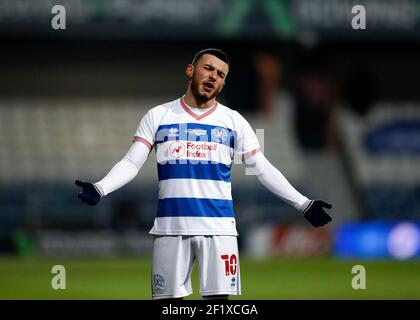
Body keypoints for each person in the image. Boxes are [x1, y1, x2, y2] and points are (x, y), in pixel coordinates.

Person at [75, 48, 332, 300]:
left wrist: (303, 203)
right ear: (191, 70)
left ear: (222, 84)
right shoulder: (158, 115)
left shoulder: (235, 121)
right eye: (208, 68)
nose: (213, 76)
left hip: (219, 230)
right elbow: (132, 162)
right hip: (170, 229)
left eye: (220, 74)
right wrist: (101, 187)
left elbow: (261, 168)